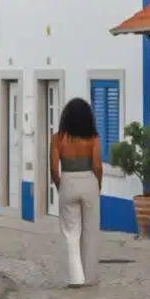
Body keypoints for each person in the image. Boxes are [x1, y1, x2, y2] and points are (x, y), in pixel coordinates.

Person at [50, 97, 103, 287]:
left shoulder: (57, 139)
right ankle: (90, 277)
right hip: (89, 181)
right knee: (90, 230)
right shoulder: (93, 139)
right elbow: (97, 164)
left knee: (71, 232)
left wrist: (60, 186)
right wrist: (98, 184)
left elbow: (54, 169)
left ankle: (75, 277)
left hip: (68, 181)